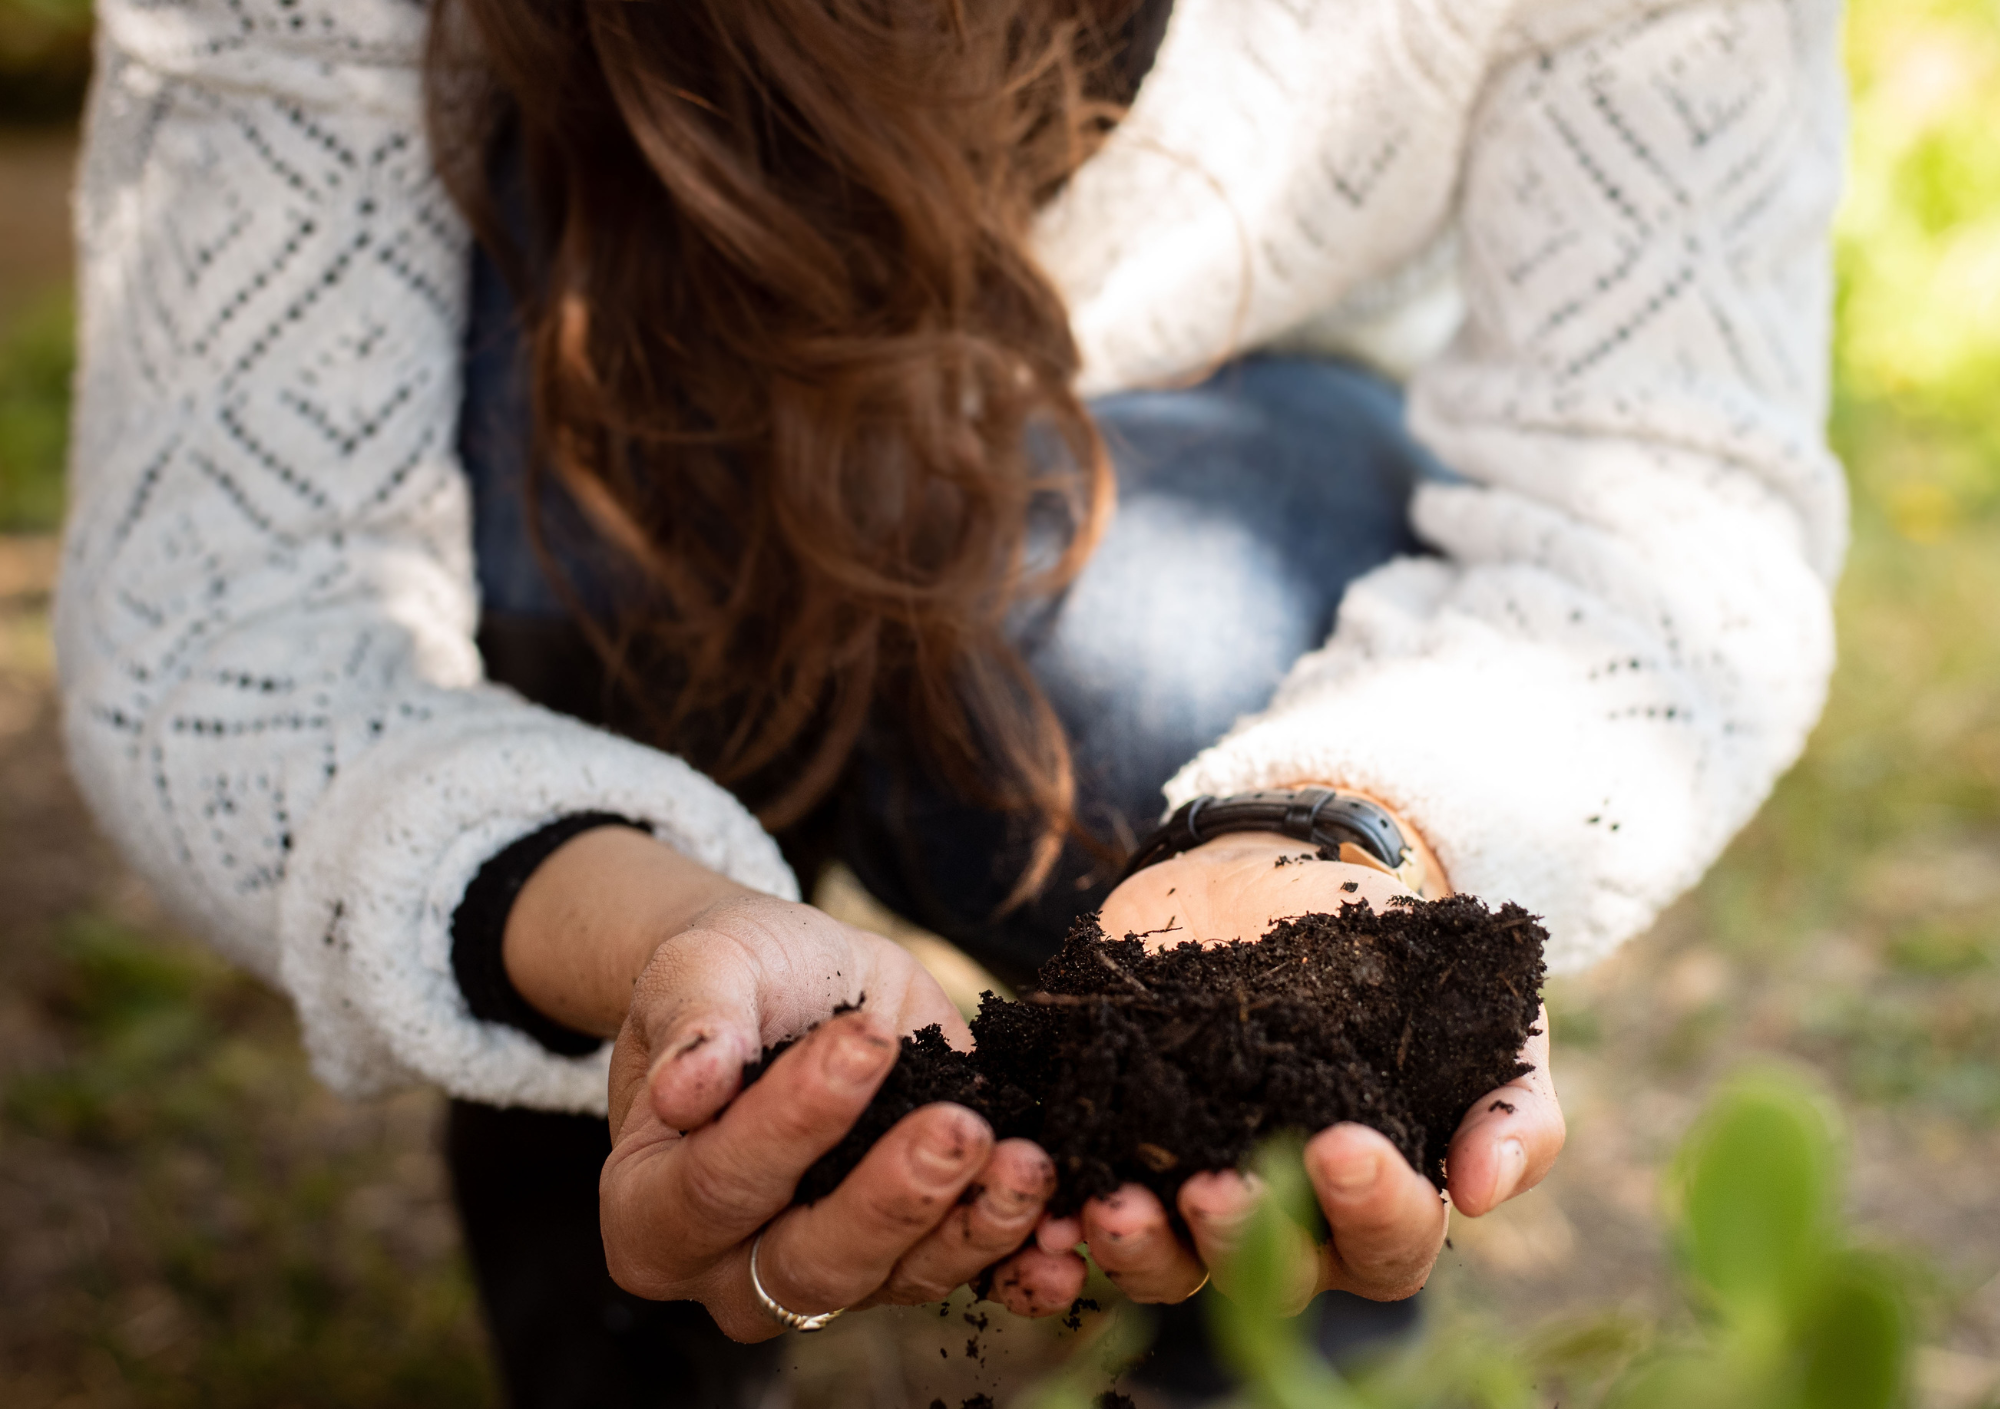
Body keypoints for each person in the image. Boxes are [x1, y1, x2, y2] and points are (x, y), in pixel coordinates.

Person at [56, 0, 1846, 1403]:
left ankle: (1266, 1299)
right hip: (605, 439)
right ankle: (635, 1277)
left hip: (1192, 451)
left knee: (1180, 628)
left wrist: (1352, 831)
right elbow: (231, 624)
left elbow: (1660, 513)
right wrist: (636, 923)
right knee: (583, 534)